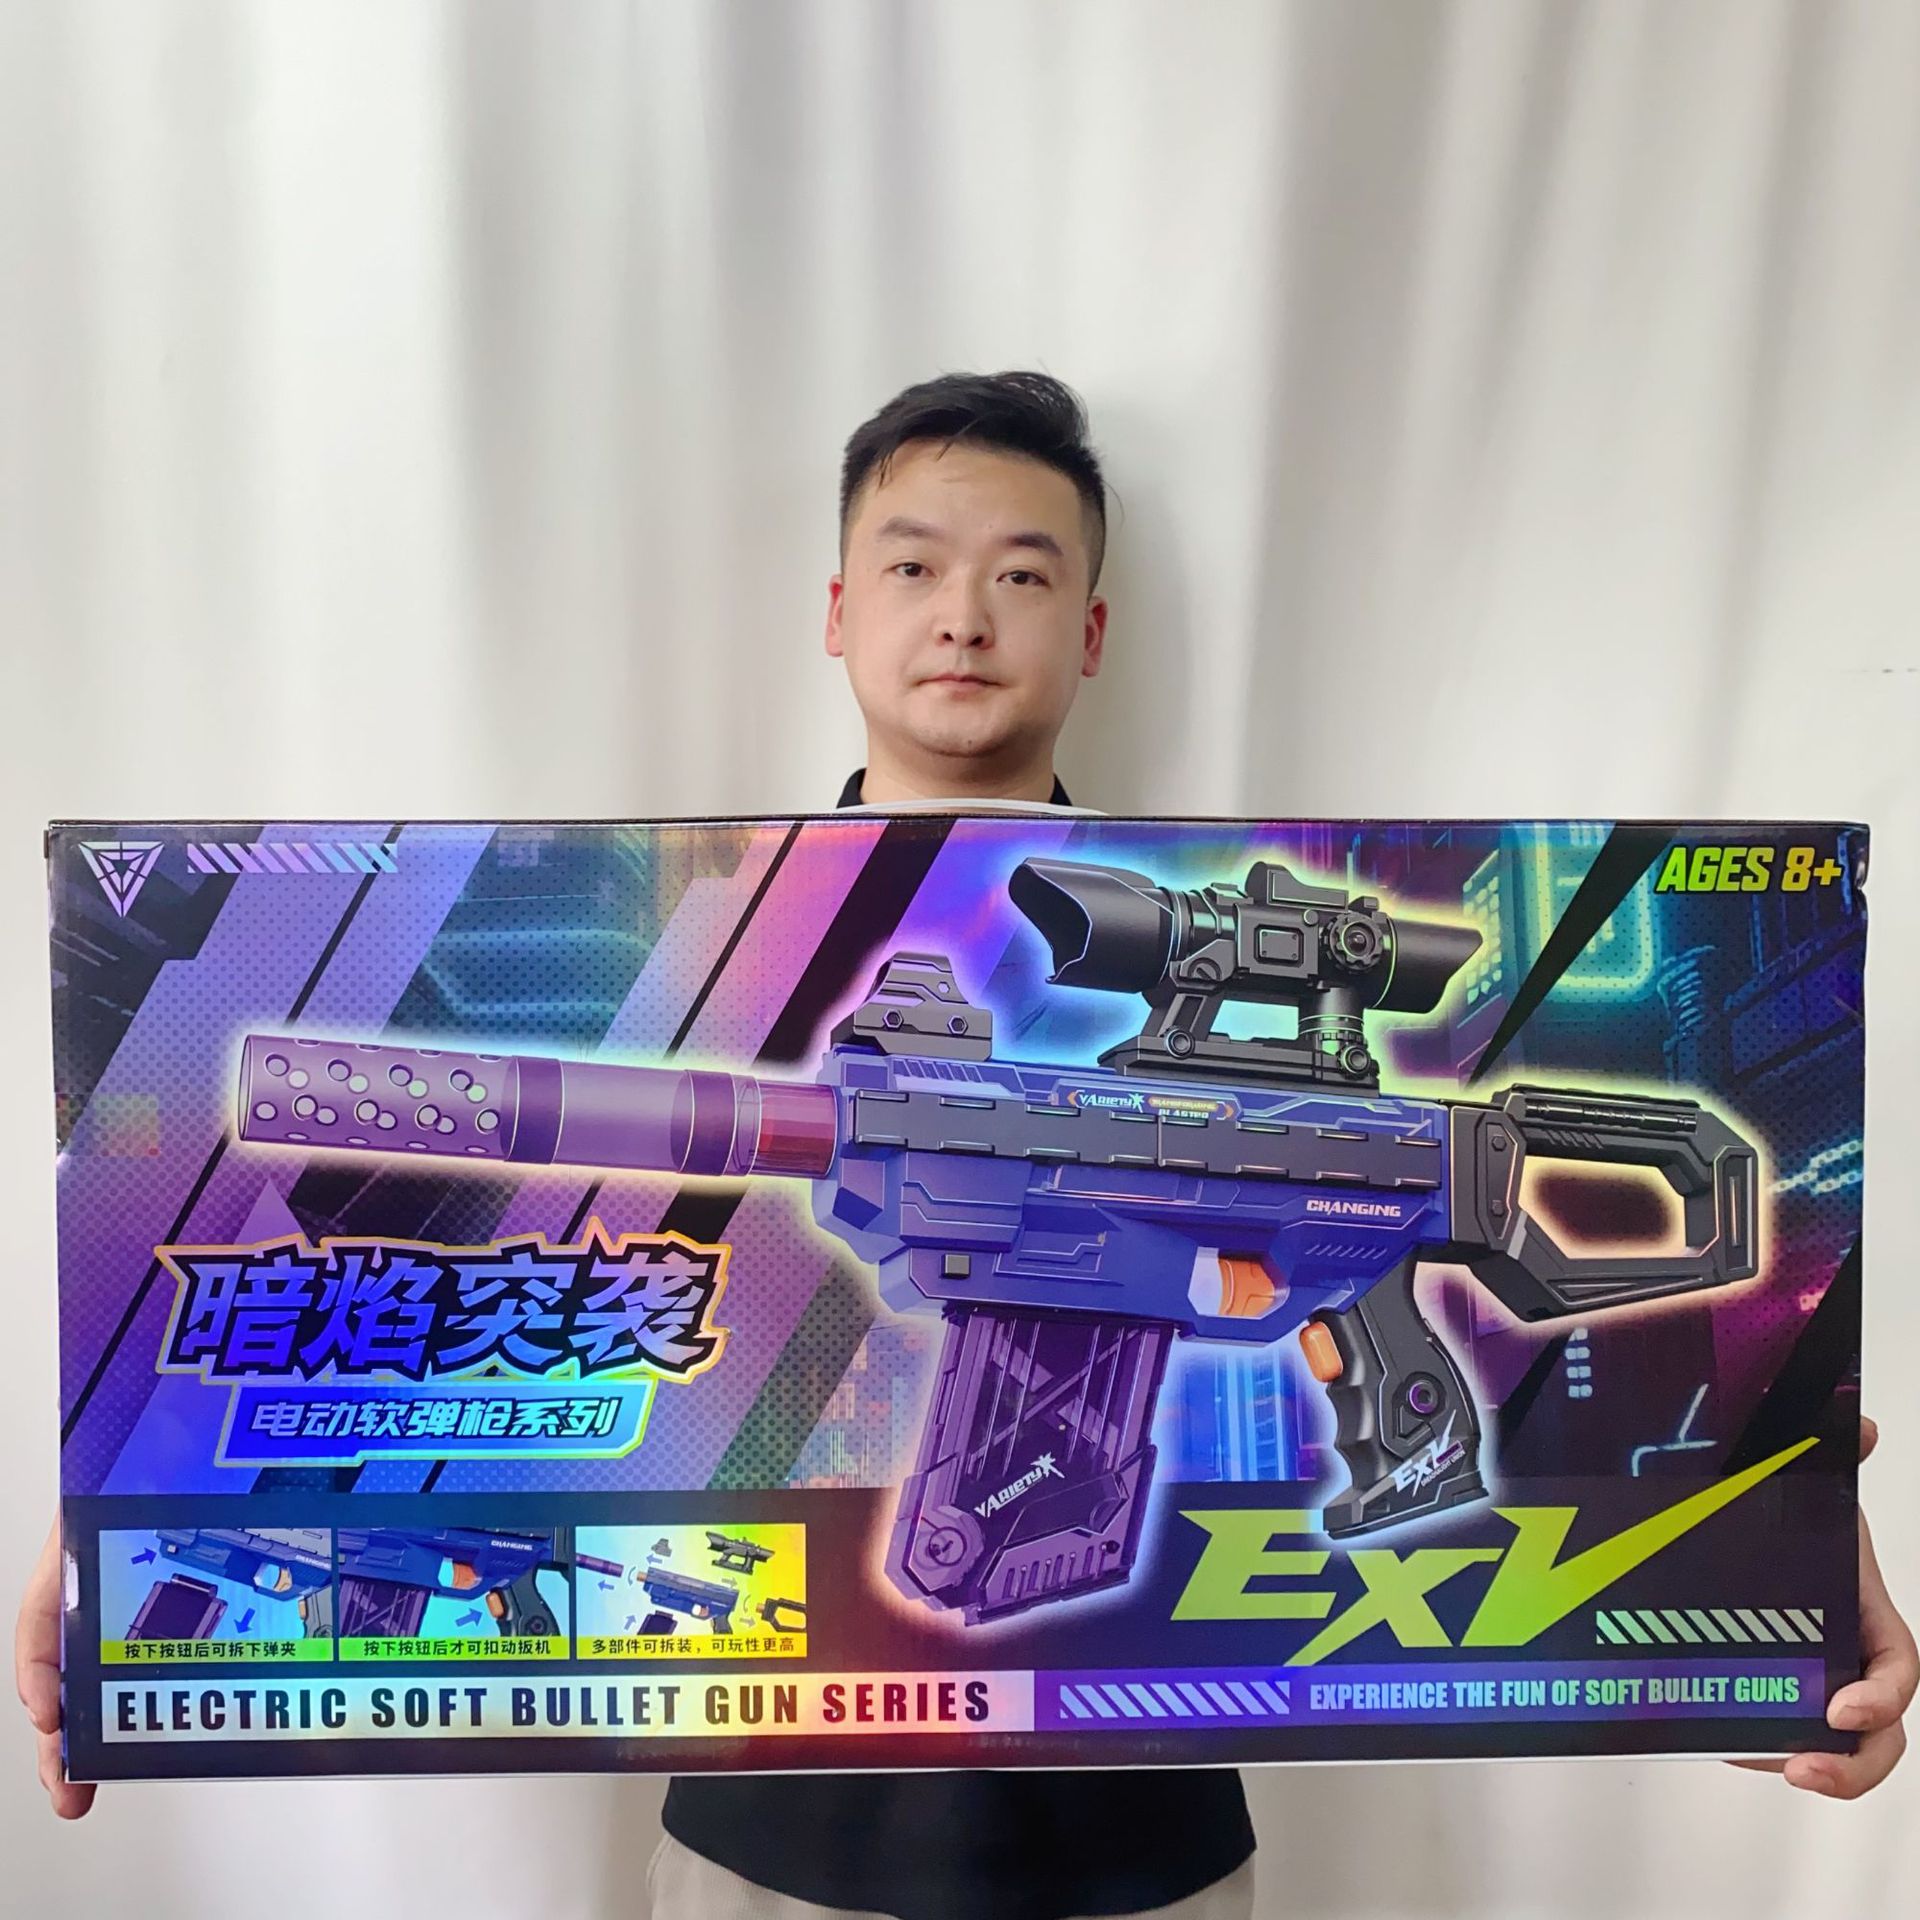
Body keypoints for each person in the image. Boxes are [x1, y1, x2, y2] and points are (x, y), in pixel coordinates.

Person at [17, 374, 1918, 1913]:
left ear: (1089, 633)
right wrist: (118, 1520)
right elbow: (436, 1276)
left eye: (1022, 572)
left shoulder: (1216, 947)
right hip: (770, 1832)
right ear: (837, 613)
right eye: (914, 564)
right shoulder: (707, 950)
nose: (963, 611)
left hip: (1149, 1846)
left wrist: (1787, 1552)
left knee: (1376, 1366)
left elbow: (1683, 1353)